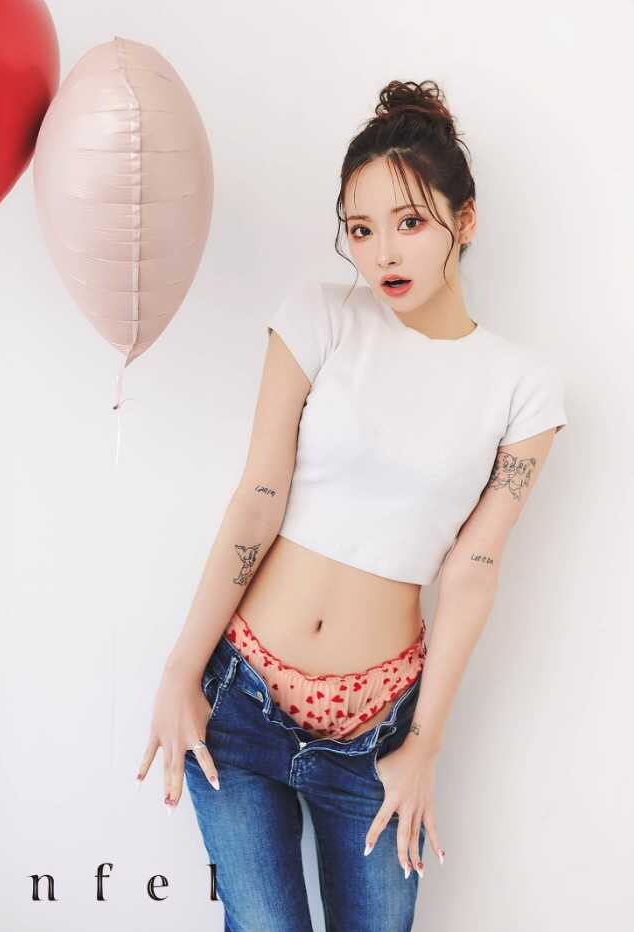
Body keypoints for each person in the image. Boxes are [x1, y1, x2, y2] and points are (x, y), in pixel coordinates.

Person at [136, 79, 568, 931]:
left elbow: (473, 570)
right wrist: (180, 669)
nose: (383, 254)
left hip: (375, 736)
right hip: (243, 701)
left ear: (465, 221)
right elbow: (258, 498)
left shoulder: (523, 387)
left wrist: (424, 744)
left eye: (409, 223)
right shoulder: (320, 317)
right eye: (361, 230)